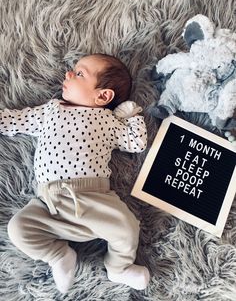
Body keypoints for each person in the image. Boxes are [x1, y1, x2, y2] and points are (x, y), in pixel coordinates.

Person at [1, 53, 150, 293]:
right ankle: (59, 255)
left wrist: (132, 116)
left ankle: (118, 268)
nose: (68, 74)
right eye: (73, 70)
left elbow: (135, 143)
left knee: (127, 227)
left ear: (103, 96)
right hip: (49, 204)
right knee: (18, 228)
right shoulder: (50, 111)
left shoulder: (107, 120)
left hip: (94, 200)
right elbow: (19, 120)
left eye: (80, 73)